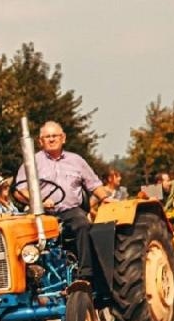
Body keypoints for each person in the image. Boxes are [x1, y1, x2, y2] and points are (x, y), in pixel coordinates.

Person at [12, 121, 112, 287]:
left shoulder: (76, 160)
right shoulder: (32, 162)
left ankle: (85, 275)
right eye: (47, 137)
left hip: (69, 211)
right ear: (40, 141)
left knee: (82, 224)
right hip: (41, 213)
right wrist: (40, 202)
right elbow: (20, 189)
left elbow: (94, 184)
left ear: (63, 138)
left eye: (55, 136)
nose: (51, 139)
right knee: (21, 234)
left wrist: (105, 198)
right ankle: (28, 278)